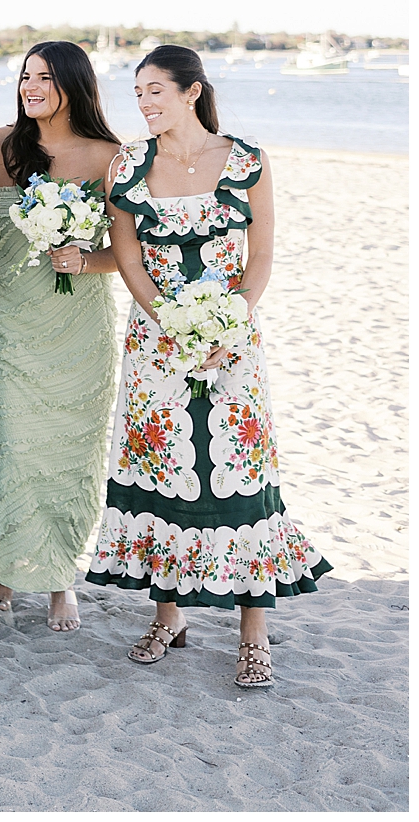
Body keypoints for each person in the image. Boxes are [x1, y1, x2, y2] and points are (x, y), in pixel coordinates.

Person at [85, 45, 329, 689]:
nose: (144, 103)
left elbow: (261, 258)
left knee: (239, 474)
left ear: (192, 91)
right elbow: (129, 259)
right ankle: (169, 618)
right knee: (164, 469)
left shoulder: (247, 160)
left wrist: (228, 324)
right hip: (155, 341)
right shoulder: (127, 165)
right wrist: (171, 325)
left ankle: (254, 632)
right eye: (138, 94)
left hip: (234, 343)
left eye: (156, 91)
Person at [0, 42, 123, 632]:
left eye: (45, 78)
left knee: (66, 454)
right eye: (26, 76)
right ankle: (7, 567)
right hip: (5, 318)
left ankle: (61, 578)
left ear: (75, 85)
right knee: (10, 445)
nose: (30, 87)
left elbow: (129, 253)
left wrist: (85, 260)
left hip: (77, 327)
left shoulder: (111, 157)